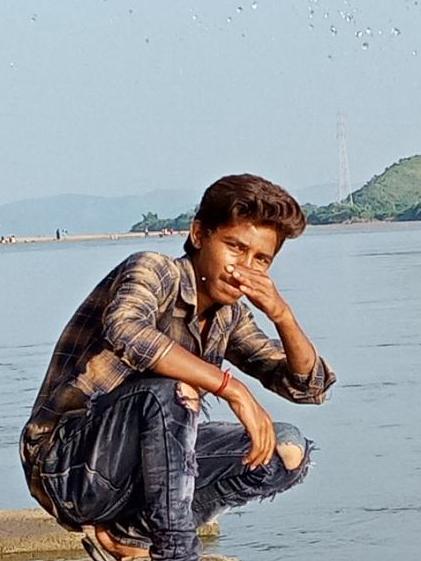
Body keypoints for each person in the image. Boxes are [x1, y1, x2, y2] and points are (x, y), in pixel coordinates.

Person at [20, 174, 336, 561]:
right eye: (235, 247)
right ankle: (176, 552)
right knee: (172, 390)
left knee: (287, 449)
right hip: (69, 468)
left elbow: (307, 387)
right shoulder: (153, 270)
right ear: (199, 234)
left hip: (145, 471)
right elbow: (126, 330)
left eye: (261, 260)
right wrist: (232, 389)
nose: (244, 268)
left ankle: (130, 534)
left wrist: (282, 315)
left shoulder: (229, 316)